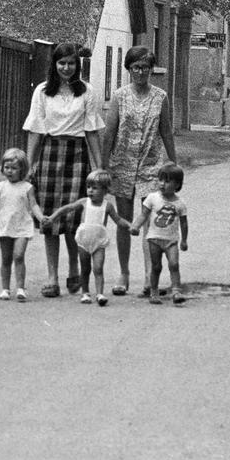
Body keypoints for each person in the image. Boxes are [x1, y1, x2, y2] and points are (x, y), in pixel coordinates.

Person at [24, 43, 104, 298]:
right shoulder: (43, 91)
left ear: (77, 65)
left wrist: (99, 167)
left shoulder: (87, 91)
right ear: (54, 65)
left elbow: (91, 130)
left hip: (77, 156)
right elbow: (36, 129)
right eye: (62, 63)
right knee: (50, 220)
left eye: (71, 63)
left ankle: (74, 270)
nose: (66, 68)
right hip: (50, 155)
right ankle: (51, 277)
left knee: (73, 219)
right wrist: (29, 163)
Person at [100, 45, 178, 296]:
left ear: (151, 69)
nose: (141, 72)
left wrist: (173, 164)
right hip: (122, 165)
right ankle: (123, 273)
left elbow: (166, 131)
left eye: (145, 67)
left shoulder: (160, 97)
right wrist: (104, 167)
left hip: (151, 165)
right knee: (124, 222)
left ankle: (149, 275)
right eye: (136, 67)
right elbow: (109, 133)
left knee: (151, 223)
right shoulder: (120, 96)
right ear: (129, 70)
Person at [44, 170, 131, 305]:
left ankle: (100, 294)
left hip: (99, 241)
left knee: (98, 267)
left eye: (95, 188)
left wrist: (131, 226)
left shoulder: (107, 206)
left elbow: (119, 220)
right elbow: (67, 208)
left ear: (105, 190)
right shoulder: (84, 202)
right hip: (84, 240)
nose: (90, 191)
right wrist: (52, 217)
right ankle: (85, 293)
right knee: (85, 268)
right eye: (89, 187)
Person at [0, 148, 43, 301]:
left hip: (22, 225)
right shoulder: (1, 186)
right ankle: (5, 289)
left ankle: (20, 288)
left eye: (14, 168)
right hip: (5, 226)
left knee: (19, 255)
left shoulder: (27, 187)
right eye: (7, 167)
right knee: (6, 258)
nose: (9, 171)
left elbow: (34, 205)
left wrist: (41, 218)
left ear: (22, 169)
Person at [131, 162, 188, 304]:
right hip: (154, 239)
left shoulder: (180, 203)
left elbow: (184, 223)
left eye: (167, 181)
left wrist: (184, 240)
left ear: (177, 184)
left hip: (171, 240)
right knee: (156, 267)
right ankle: (154, 292)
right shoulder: (152, 198)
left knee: (174, 264)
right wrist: (136, 226)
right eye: (160, 180)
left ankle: (176, 291)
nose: (162, 184)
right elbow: (143, 215)